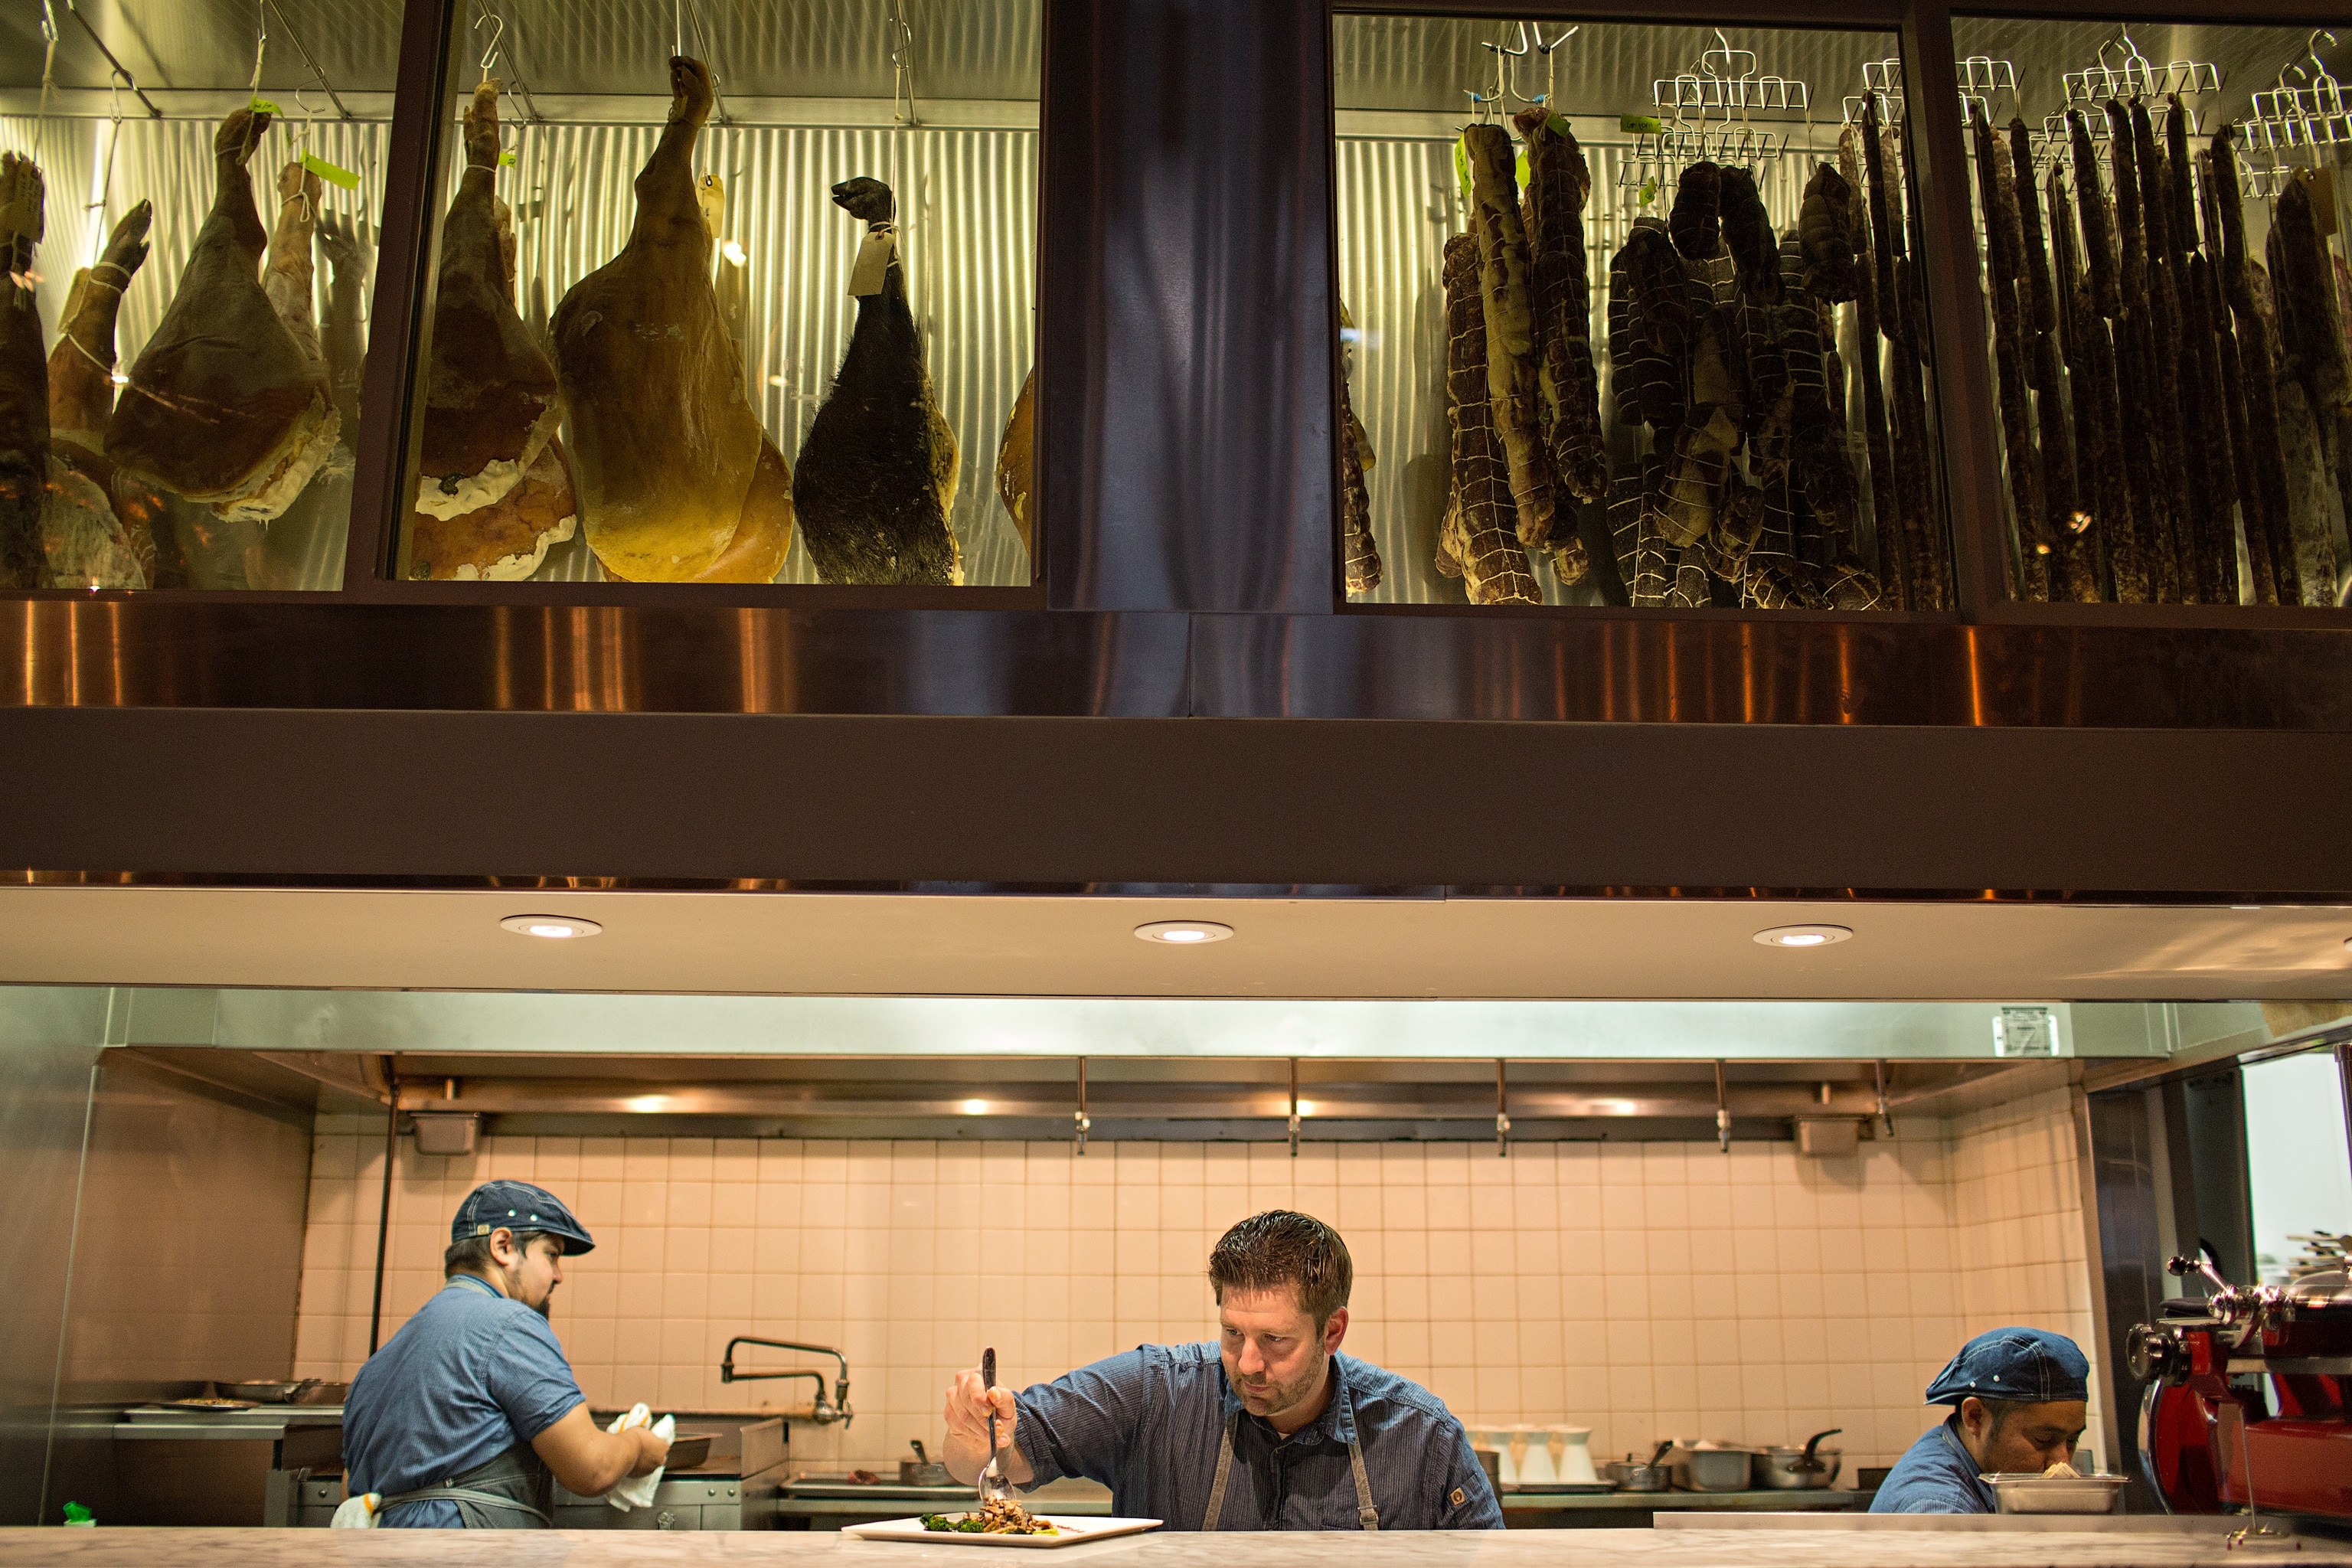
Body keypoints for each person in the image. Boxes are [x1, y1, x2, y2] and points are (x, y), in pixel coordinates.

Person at [941, 1209, 1501, 1530]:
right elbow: (989, 1460)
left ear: (1332, 1331)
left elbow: (1490, 1558)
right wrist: (977, 1434)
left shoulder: (1421, 1436)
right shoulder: (1155, 1390)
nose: (1249, 1363)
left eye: (1275, 1340)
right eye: (1233, 1334)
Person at [341, 1180, 669, 1526]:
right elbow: (592, 1470)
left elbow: (351, 1485)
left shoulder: (381, 1360)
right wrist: (637, 1445)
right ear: (503, 1247)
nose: (558, 1276)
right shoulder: (510, 1324)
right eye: (551, 1255)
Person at [1871, 1326, 2091, 1514]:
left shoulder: (1951, 1442)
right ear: (1975, 1417)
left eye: (2072, 1440)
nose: (2062, 1462)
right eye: (2043, 1439)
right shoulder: (1941, 1508)